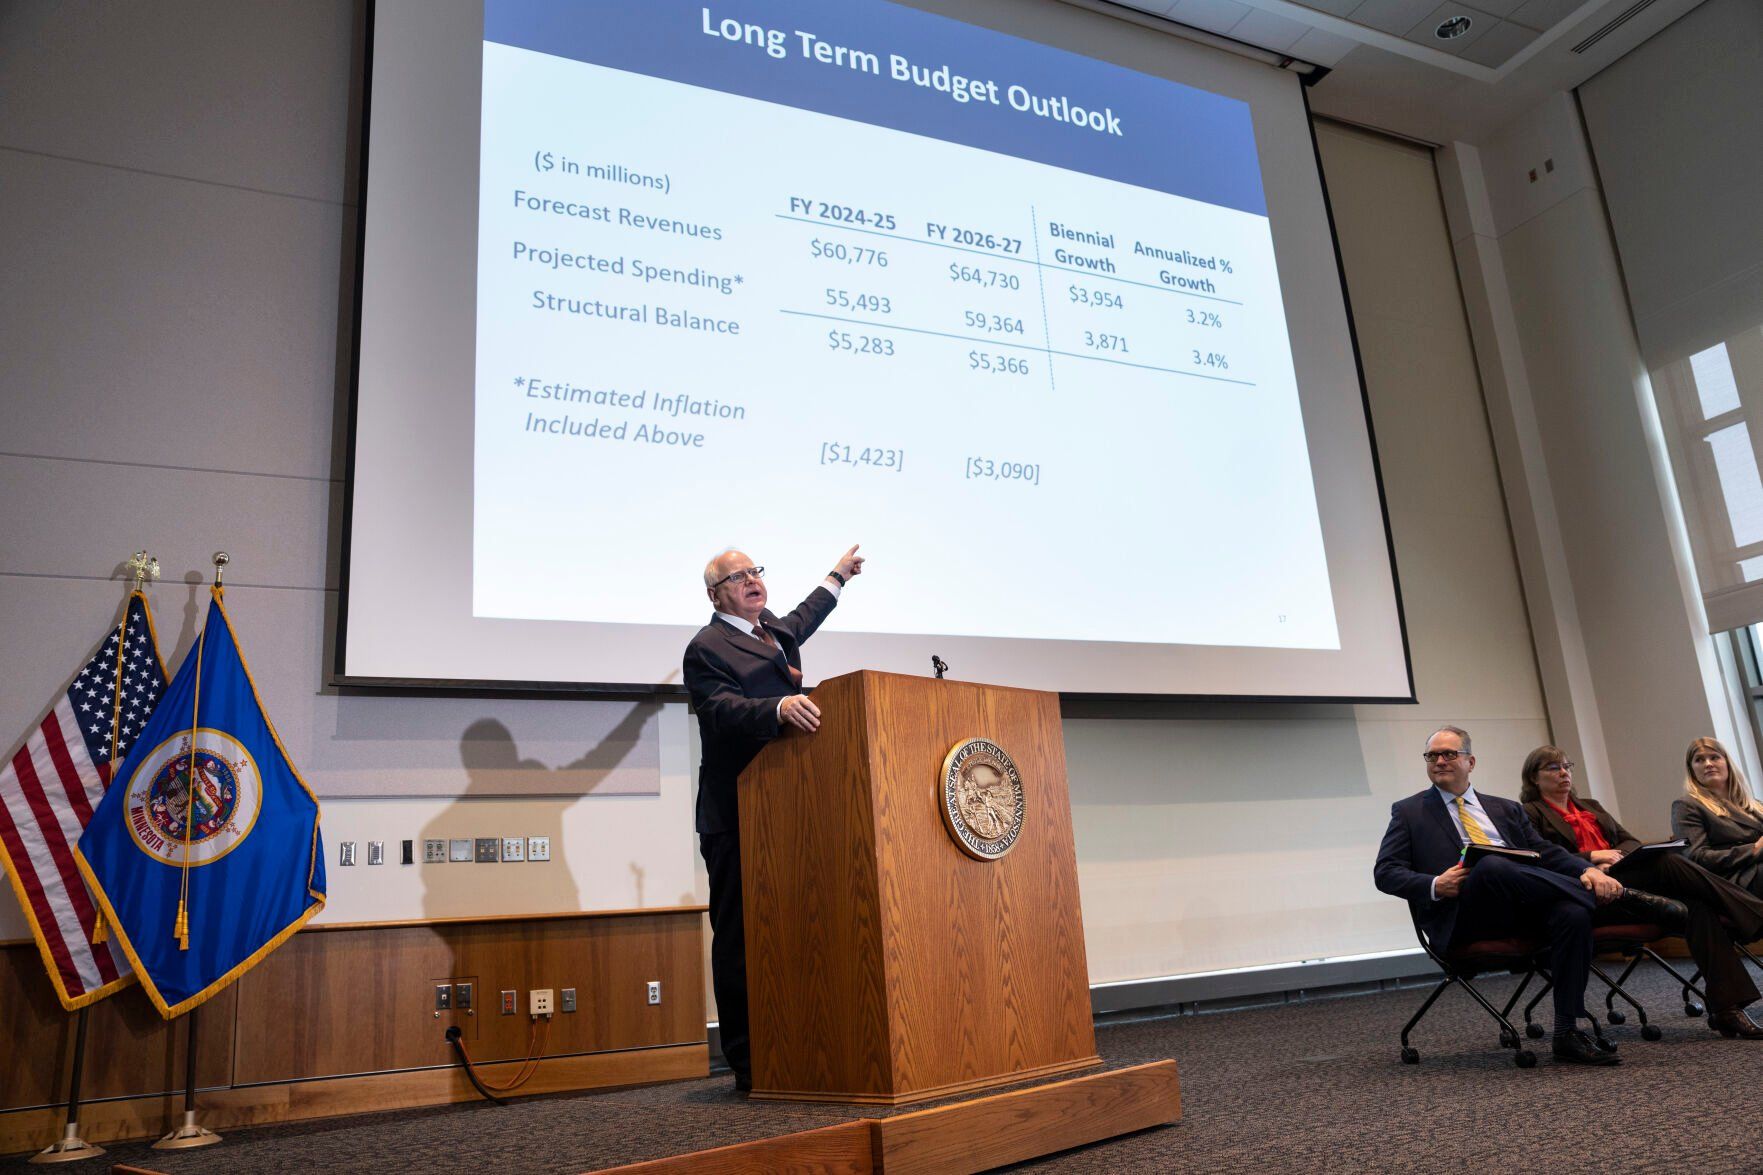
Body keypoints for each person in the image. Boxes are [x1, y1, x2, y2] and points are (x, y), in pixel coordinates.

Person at [683, 545, 863, 1092]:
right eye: (738, 577)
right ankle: (748, 1062)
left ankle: (798, 1045)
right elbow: (717, 710)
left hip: (786, 810)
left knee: (791, 927)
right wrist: (776, 709)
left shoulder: (774, 633)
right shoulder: (706, 647)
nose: (752, 581)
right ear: (716, 594)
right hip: (736, 812)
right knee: (739, 938)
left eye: (756, 572)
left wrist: (838, 576)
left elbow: (808, 613)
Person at [1373, 726, 1622, 1064]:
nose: (1440, 761)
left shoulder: (1505, 809)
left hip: (1520, 909)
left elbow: (1542, 852)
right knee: (1490, 864)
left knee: (1572, 914)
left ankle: (1567, 1032)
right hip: (1463, 915)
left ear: (1470, 761)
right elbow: (1385, 872)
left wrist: (1586, 870)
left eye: (1449, 754)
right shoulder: (1408, 812)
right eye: (1433, 756)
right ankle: (1608, 899)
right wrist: (1435, 884)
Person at [1521, 745, 1763, 1038]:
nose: (1564, 773)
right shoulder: (1529, 813)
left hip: (1625, 880)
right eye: (1553, 768)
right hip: (1587, 891)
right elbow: (1540, 857)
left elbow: (1630, 842)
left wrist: (1615, 854)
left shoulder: (1591, 805)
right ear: (1534, 778)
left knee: (1697, 904)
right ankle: (1754, 911)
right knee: (1668, 861)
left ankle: (1728, 1010)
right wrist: (1593, 857)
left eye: (1567, 766)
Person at [1672, 737, 1763, 900]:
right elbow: (1696, 857)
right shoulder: (1686, 806)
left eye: (1714, 757)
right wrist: (1754, 849)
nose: (1708, 763)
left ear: (1727, 762)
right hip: (1733, 880)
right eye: (1699, 760)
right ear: (1692, 770)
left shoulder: (1755, 805)